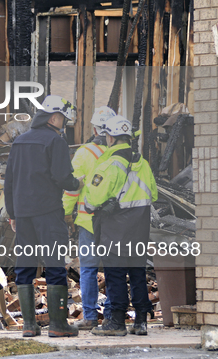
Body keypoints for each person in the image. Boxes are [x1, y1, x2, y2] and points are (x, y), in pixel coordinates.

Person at [4, 95, 83, 338]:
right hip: (48, 213)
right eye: (62, 118)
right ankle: (58, 325)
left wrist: (13, 214)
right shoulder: (55, 142)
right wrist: (76, 184)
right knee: (55, 265)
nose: (64, 123)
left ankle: (29, 326)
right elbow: (62, 177)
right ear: (53, 117)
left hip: (24, 216)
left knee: (25, 268)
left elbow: (9, 181)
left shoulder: (20, 142)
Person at [84, 115, 157, 336]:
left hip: (114, 229)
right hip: (139, 229)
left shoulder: (109, 164)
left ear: (110, 137)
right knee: (137, 273)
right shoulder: (142, 163)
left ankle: (116, 322)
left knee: (115, 274)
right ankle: (141, 321)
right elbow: (152, 193)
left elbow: (92, 199)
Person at [62, 106, 116, 330]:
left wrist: (65, 213)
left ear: (94, 128)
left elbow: (72, 188)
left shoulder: (84, 153)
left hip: (87, 221)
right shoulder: (122, 153)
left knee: (88, 269)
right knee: (114, 269)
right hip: (114, 221)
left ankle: (91, 317)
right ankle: (113, 317)